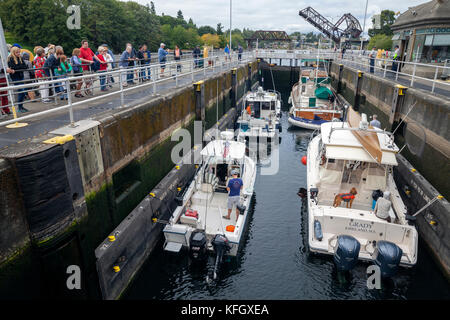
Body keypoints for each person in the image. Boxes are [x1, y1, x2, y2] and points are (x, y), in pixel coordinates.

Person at [7, 46, 29, 112]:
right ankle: (19, 107)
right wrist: (18, 68)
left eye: (19, 52)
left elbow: (25, 67)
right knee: (21, 91)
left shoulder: (20, 58)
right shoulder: (10, 59)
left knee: (22, 91)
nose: (19, 53)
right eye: (17, 52)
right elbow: (13, 67)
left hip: (20, 76)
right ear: (13, 52)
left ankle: (21, 106)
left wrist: (17, 68)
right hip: (15, 77)